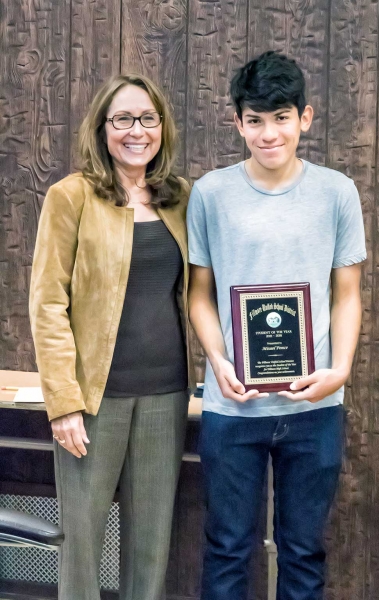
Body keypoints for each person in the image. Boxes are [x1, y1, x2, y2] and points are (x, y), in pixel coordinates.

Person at [187, 51, 366, 600]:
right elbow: (199, 296)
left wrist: (340, 371)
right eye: (256, 120)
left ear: (305, 118)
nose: (269, 133)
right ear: (238, 122)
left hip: (314, 408)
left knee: (304, 553)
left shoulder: (337, 192)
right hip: (232, 406)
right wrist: (218, 363)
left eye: (281, 117)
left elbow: (349, 294)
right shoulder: (210, 194)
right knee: (226, 550)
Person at [29, 73, 195, 600]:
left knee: (151, 545)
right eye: (123, 119)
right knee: (82, 543)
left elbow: (200, 291)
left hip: (166, 396)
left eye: (148, 118)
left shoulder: (179, 197)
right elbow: (48, 302)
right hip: (93, 401)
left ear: (162, 128)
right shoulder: (70, 196)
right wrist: (63, 402)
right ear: (102, 128)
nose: (136, 131)